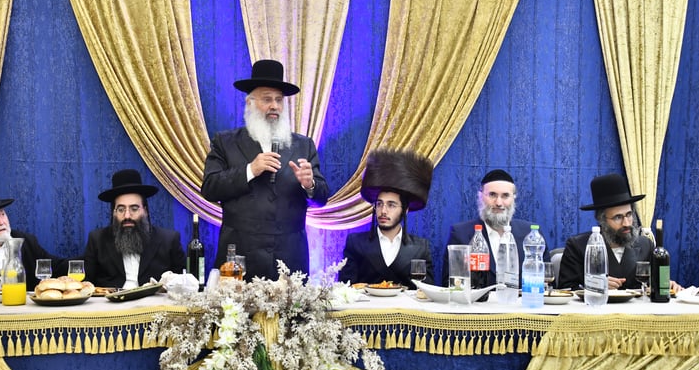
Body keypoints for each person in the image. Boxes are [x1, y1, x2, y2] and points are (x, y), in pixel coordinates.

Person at [201, 59, 329, 281]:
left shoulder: (303, 145)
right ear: (250, 103)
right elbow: (210, 188)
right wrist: (250, 170)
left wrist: (310, 185)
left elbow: (322, 198)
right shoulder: (225, 142)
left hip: (290, 261)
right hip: (239, 259)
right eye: (267, 99)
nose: (274, 106)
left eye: (279, 100)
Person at [558, 173, 682, 292]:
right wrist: (594, 286)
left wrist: (665, 284)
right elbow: (565, 289)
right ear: (602, 220)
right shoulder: (578, 246)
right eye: (618, 217)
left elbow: (653, 284)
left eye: (629, 214)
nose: (626, 223)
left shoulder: (646, 245)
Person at [339, 149, 435, 289]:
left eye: (391, 205)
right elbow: (344, 289)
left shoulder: (421, 248)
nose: (383, 211)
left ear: (405, 210)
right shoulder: (356, 242)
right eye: (379, 204)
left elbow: (427, 292)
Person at [83, 169, 185, 288]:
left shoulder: (169, 240)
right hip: (112, 300)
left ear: (145, 211)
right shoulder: (97, 240)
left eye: (134, 209)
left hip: (153, 300)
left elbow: (183, 284)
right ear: (114, 212)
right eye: (121, 209)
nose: (127, 216)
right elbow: (86, 285)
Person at [443, 169, 537, 288]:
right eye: (492, 195)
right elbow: (451, 286)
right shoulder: (461, 235)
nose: (498, 203)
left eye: (505, 196)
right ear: (480, 197)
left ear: (513, 198)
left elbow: (545, 285)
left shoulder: (531, 235)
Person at [0, 188, 65, 291]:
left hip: (18, 302)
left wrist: (76, 264)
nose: (1, 222)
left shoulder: (26, 242)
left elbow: (56, 267)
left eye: (2, 214)